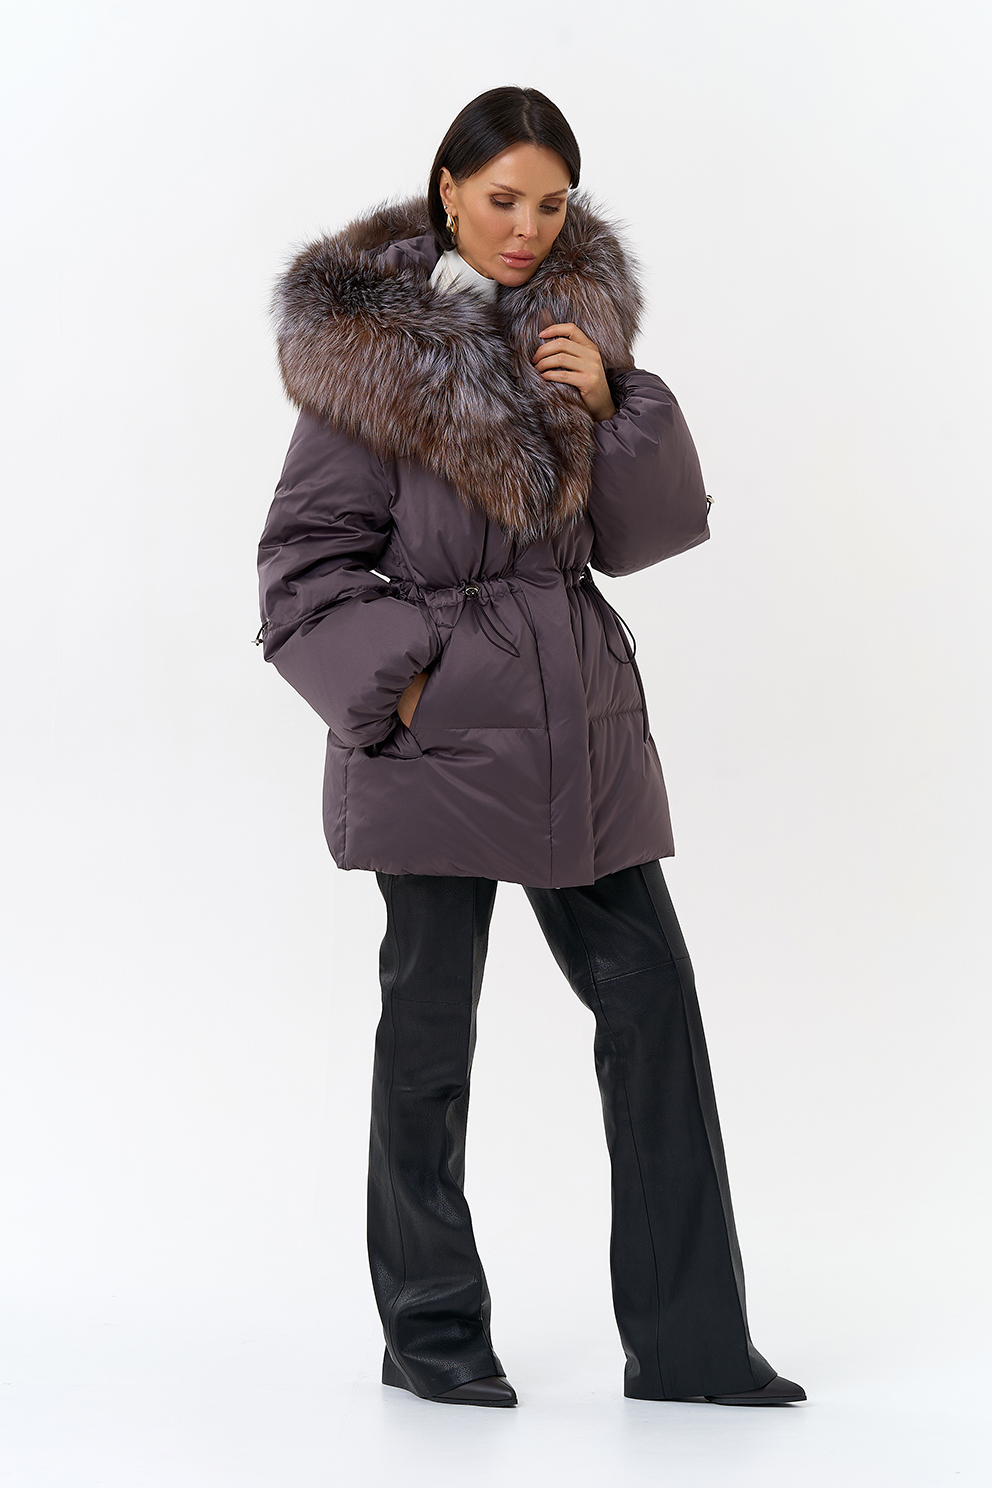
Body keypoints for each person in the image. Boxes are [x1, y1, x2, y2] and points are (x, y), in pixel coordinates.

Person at [256, 85, 804, 1410]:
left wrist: (612, 403)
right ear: (448, 190)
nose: (527, 228)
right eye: (503, 199)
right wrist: (409, 689)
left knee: (652, 1006)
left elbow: (642, 538)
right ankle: (431, 1333)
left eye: (552, 205)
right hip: (437, 745)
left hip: (578, 729)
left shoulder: (575, 334)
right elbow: (300, 571)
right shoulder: (371, 360)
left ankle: (689, 1346)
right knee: (430, 1032)